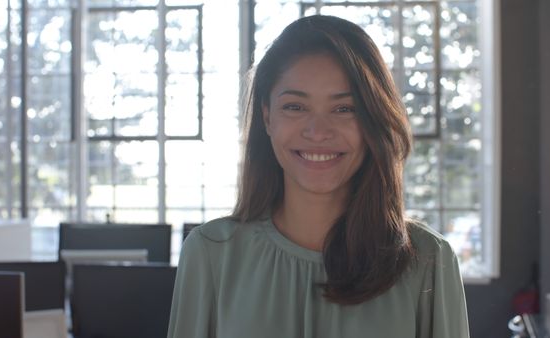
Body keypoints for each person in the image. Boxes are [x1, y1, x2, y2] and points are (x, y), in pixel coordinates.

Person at [167, 15, 470, 338]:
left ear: (373, 121)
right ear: (267, 117)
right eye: (295, 107)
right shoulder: (211, 254)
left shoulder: (428, 261)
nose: (318, 132)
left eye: (344, 109)